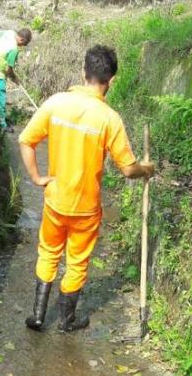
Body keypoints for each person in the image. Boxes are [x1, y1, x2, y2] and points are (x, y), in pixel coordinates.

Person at [19, 44, 155, 333]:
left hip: (55, 199)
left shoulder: (56, 103)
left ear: (84, 72)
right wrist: (148, 169)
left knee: (49, 252)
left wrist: (36, 177)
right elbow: (129, 169)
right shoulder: (109, 119)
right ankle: (67, 320)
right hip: (86, 207)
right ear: (112, 80)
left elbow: (26, 140)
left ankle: (39, 315)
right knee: (77, 260)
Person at [0, 28, 32, 132]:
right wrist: (14, 78)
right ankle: (2, 124)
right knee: (1, 95)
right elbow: (8, 69)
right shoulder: (13, 49)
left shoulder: (10, 33)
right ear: (22, 40)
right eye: (23, 45)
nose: (22, 47)